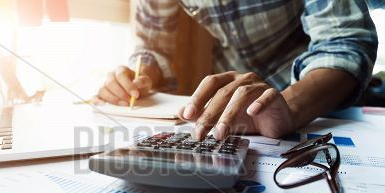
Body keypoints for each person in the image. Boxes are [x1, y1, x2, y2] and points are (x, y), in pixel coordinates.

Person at [94, 0, 378, 139]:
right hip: (232, 111)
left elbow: (345, 41)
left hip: (316, 103)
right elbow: (154, 47)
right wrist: (141, 74)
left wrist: (290, 107)